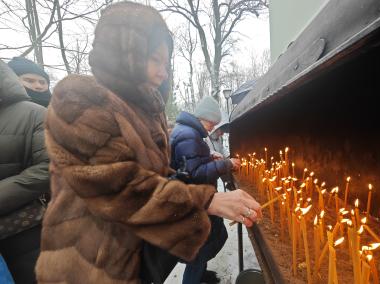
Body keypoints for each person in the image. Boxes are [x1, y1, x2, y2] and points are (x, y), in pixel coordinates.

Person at [35, 3, 260, 284]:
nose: (163, 72)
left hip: (129, 254)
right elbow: (118, 188)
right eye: (155, 59)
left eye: (166, 63)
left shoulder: (142, 110)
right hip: (89, 262)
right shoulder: (81, 101)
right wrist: (207, 199)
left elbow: (151, 175)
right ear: (124, 55)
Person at [170, 97, 241, 284]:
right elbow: (194, 174)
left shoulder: (188, 132)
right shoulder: (189, 134)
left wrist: (210, 156)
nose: (212, 128)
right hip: (193, 203)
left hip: (196, 200)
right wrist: (226, 164)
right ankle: (193, 279)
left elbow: (188, 162)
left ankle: (200, 275)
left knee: (207, 243)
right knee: (199, 251)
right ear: (202, 117)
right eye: (211, 123)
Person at [0, 59, 50, 283]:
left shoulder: (35, 113)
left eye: (42, 81)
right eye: (30, 80)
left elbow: (49, 167)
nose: (38, 86)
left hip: (27, 227)